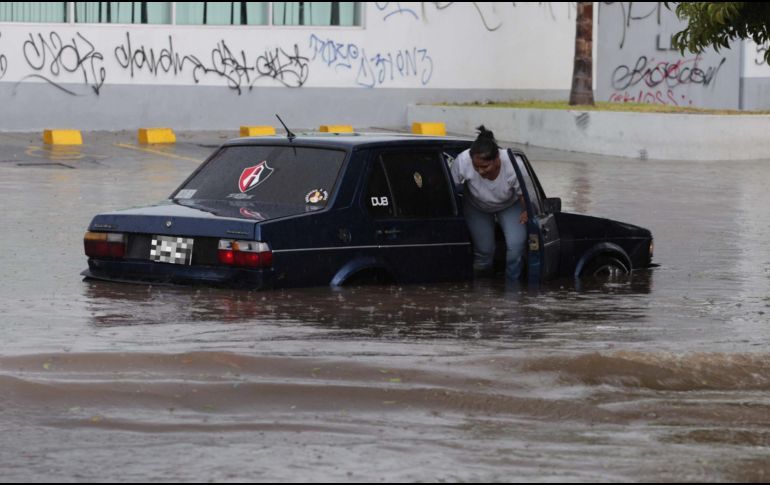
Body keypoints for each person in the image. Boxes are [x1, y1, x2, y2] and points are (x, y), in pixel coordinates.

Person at [450, 126, 528, 281]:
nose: (480, 172)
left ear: (497, 158)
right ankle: (481, 287)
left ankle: (513, 287)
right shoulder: (463, 161)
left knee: (516, 247)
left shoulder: (514, 164)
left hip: (509, 205)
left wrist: (526, 211)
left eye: (485, 167)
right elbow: (449, 187)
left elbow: (524, 195)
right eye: (476, 167)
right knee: (484, 251)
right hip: (476, 206)